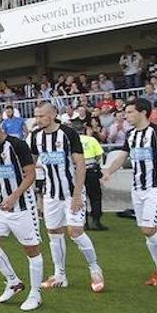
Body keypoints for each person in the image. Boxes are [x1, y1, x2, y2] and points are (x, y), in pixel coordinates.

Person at [102, 99, 157, 285]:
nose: (126, 115)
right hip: (138, 189)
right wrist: (109, 171)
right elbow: (122, 156)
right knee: (149, 232)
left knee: (148, 228)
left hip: (156, 187)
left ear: (143, 112)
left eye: (130, 112)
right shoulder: (131, 134)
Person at [29, 104, 105, 293]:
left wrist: (78, 194)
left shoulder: (69, 134)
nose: (38, 120)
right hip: (50, 194)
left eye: (42, 116)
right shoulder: (35, 137)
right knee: (54, 233)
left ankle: (95, 269)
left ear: (53, 115)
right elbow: (30, 163)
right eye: (36, 116)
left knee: (76, 232)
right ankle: (60, 275)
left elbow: (80, 165)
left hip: (72, 192)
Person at [0, 113, 45, 312]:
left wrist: (14, 196)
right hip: (0, 204)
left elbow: (30, 175)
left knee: (31, 250)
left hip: (22, 205)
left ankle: (35, 293)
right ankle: (13, 282)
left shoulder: (18, 145)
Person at [76, 122, 108, 230]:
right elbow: (99, 155)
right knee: (95, 197)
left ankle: (83, 222)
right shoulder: (91, 140)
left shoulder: (71, 141)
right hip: (91, 171)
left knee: (81, 197)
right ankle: (96, 221)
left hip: (77, 172)